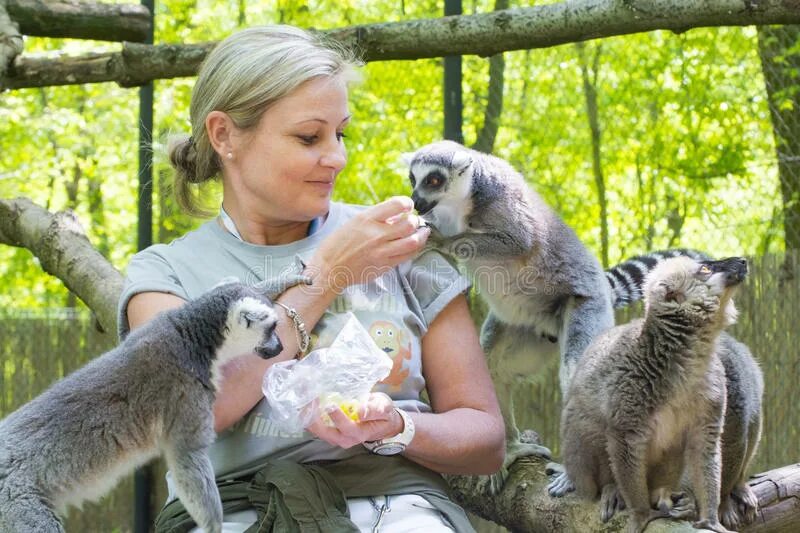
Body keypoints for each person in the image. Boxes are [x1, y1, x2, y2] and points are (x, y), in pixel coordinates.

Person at [119, 25, 504, 532]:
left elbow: (486, 439)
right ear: (224, 135)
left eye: (340, 133)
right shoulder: (164, 273)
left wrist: (399, 426)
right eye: (309, 136)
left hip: (399, 506)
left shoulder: (397, 243)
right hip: (234, 512)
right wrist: (327, 276)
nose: (337, 157)